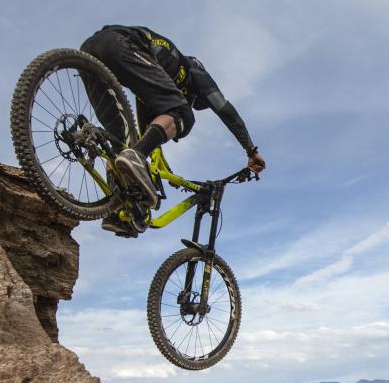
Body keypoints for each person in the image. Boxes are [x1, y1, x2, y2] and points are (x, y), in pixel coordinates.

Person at [80, 25, 265, 233]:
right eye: (196, 98)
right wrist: (251, 149)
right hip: (123, 44)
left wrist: (162, 171)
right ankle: (132, 165)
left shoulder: (155, 78)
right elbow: (226, 110)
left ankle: (117, 209)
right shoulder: (194, 69)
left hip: (90, 49)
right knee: (183, 114)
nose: (192, 100)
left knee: (122, 142)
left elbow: (146, 130)